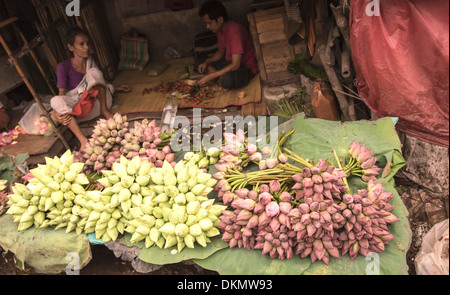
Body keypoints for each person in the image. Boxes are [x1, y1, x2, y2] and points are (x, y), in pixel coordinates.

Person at [50, 27, 131, 152]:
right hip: (80, 111)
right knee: (55, 101)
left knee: (94, 71)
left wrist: (114, 87)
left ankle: (105, 111)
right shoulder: (63, 67)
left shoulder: (91, 59)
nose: (86, 47)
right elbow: (62, 93)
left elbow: (98, 79)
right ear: (71, 47)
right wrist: (57, 113)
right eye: (81, 44)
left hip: (99, 104)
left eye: (88, 43)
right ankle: (83, 140)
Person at [196, 0, 259, 91]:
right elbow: (221, 51)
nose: (207, 27)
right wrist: (207, 61)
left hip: (245, 67)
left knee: (228, 80)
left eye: (209, 23)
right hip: (230, 63)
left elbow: (236, 65)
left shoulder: (235, 31)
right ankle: (219, 77)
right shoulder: (220, 30)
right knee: (199, 62)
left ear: (220, 20)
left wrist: (212, 75)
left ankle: (220, 78)